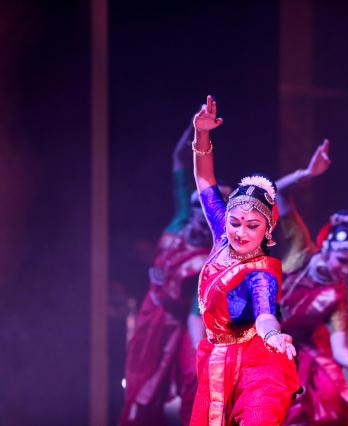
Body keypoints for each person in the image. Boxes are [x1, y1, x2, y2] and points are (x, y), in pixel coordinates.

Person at [189, 95, 299, 426]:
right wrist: (202, 134)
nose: (240, 232)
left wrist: (273, 336)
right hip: (215, 356)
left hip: (255, 359)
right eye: (235, 222)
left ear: (268, 229)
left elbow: (265, 315)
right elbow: (205, 181)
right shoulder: (222, 234)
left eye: (252, 226)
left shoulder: (261, 273)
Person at [120, 119, 225, 426]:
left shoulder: (211, 258)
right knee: (142, 386)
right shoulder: (180, 217)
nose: (198, 221)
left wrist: (201, 348)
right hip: (153, 313)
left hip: (183, 323)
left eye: (205, 217)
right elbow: (180, 158)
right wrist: (197, 129)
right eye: (196, 213)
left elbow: (197, 309)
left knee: (193, 376)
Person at [275, 139, 348, 426]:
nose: (346, 269)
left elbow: (339, 347)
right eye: (342, 260)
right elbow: (279, 192)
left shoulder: (337, 296)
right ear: (326, 248)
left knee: (324, 397)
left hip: (297, 348)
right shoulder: (301, 250)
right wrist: (306, 174)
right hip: (260, 338)